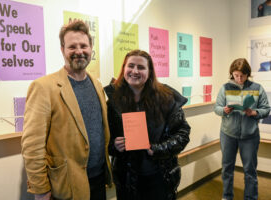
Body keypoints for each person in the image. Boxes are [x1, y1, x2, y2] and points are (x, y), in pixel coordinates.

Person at [21, 20, 112, 200]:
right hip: (66, 186)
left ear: (91, 48)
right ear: (62, 49)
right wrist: (40, 189)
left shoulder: (97, 84)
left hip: (98, 179)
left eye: (83, 46)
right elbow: (32, 145)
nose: (79, 51)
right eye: (72, 47)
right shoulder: (43, 87)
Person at [104, 49, 191, 200]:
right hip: (127, 180)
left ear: (150, 72)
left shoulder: (166, 98)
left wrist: (157, 149)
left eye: (141, 67)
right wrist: (114, 146)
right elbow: (104, 138)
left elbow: (183, 134)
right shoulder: (113, 102)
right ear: (124, 68)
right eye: (130, 66)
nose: (135, 71)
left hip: (159, 178)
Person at [214, 58, 270, 200]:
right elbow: (217, 108)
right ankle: (227, 197)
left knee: (249, 170)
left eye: (242, 76)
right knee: (227, 169)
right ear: (232, 73)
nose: (239, 78)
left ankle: (251, 198)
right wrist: (224, 110)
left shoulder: (257, 88)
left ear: (247, 74)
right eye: (236, 75)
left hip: (250, 136)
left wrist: (254, 112)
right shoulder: (225, 87)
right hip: (228, 134)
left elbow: (266, 109)